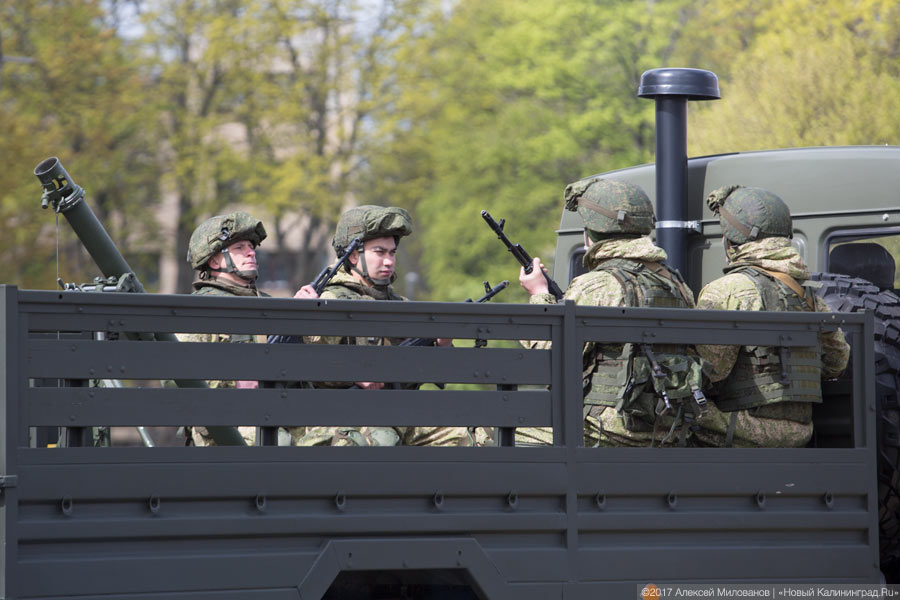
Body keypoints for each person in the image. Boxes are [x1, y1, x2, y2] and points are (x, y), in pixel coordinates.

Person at [518, 178, 707, 447]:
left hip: (608, 428)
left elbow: (546, 358)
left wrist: (539, 295)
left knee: (483, 434)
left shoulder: (597, 283)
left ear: (589, 234)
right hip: (670, 427)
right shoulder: (675, 282)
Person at [295, 205, 485, 447]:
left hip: (400, 412)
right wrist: (350, 371)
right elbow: (306, 366)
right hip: (341, 417)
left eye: (392, 253)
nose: (388, 261)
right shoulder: (329, 301)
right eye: (379, 252)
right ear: (353, 255)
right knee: (379, 439)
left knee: (473, 437)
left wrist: (443, 345)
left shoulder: (401, 305)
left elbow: (440, 374)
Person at [694, 185, 850, 447]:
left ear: (729, 241)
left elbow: (708, 373)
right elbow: (837, 363)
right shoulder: (810, 298)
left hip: (741, 429)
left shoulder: (727, 290)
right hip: (800, 433)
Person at [179, 211, 317, 446]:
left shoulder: (268, 303)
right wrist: (234, 381)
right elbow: (177, 380)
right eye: (240, 247)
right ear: (214, 260)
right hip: (224, 424)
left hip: (280, 414)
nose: (251, 252)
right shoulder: (200, 309)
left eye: (251, 246)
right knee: (280, 442)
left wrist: (301, 318)